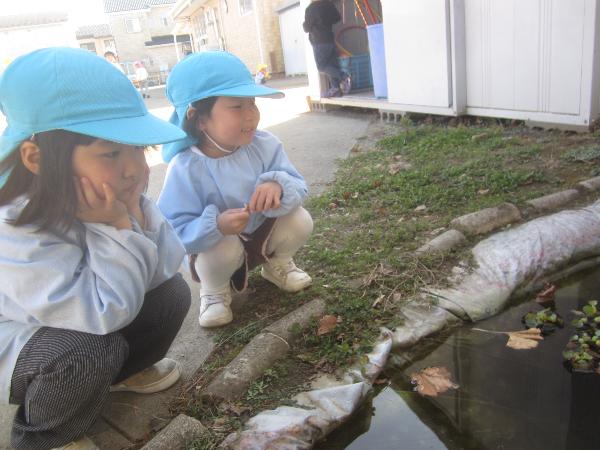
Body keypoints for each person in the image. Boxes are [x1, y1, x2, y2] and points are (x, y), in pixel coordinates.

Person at [0, 47, 191, 450]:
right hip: (28, 339)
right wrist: (117, 228)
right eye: (111, 153)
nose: (135, 168)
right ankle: (45, 437)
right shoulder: (15, 228)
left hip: (90, 316)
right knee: (87, 351)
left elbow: (165, 267)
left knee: (171, 294)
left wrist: (135, 215)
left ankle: (122, 375)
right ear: (35, 157)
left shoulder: (105, 197)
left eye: (139, 149)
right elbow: (100, 315)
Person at [158, 51, 313, 328]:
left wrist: (277, 184)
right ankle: (215, 291)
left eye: (252, 102)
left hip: (264, 234)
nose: (251, 114)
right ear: (198, 118)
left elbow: (299, 186)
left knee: (299, 219)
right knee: (222, 247)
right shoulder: (185, 168)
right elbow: (172, 232)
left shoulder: (264, 145)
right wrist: (215, 225)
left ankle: (278, 264)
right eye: (236, 106)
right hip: (219, 250)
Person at [303, 0, 351, 97]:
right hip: (329, 39)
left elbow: (306, 28)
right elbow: (337, 18)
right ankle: (336, 89)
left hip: (319, 41)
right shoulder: (329, 4)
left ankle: (344, 77)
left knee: (321, 66)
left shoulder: (311, 8)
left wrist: (306, 23)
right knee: (331, 65)